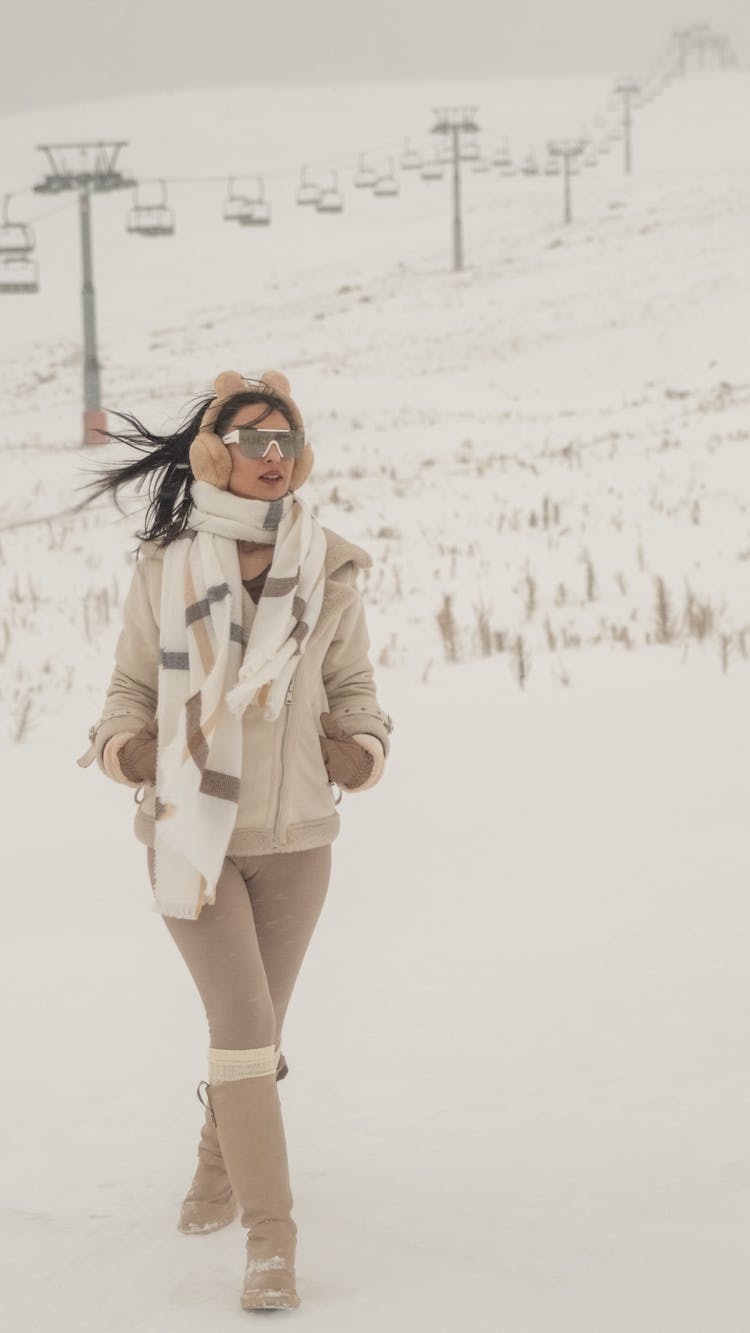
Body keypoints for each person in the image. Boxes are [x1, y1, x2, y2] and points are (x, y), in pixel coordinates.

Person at [75, 369, 394, 1311]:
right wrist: (126, 749)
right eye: (253, 441)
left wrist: (363, 749)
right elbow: (127, 692)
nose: (271, 457)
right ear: (215, 453)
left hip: (298, 840)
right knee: (247, 1031)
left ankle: (218, 1171)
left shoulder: (331, 566)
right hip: (190, 834)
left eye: (285, 440)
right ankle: (271, 1242)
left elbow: (361, 694)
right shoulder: (164, 567)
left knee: (253, 1033)